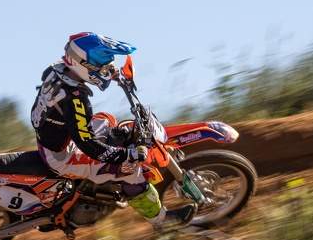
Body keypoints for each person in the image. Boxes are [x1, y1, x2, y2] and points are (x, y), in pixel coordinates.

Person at [31, 32, 196, 229]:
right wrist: (128, 155)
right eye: (102, 63)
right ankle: (161, 221)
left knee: (107, 119)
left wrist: (113, 73)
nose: (106, 66)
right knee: (130, 170)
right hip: (63, 156)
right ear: (82, 63)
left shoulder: (57, 69)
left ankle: (98, 184)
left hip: (56, 136)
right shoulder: (75, 99)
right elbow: (88, 145)